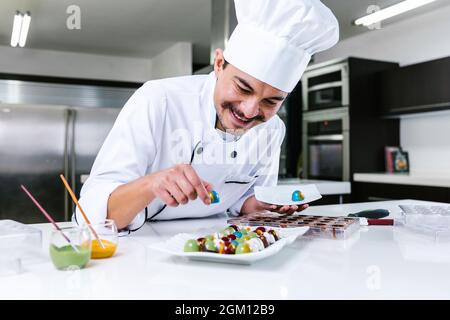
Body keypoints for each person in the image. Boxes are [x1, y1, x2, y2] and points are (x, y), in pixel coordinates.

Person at [75, 0, 339, 232]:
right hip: (141, 253)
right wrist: (151, 184)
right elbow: (89, 215)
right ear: (219, 63)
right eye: (242, 88)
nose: (249, 112)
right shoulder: (158, 100)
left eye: (271, 101)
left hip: (222, 247)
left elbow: (242, 202)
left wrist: (261, 205)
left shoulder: (273, 129)